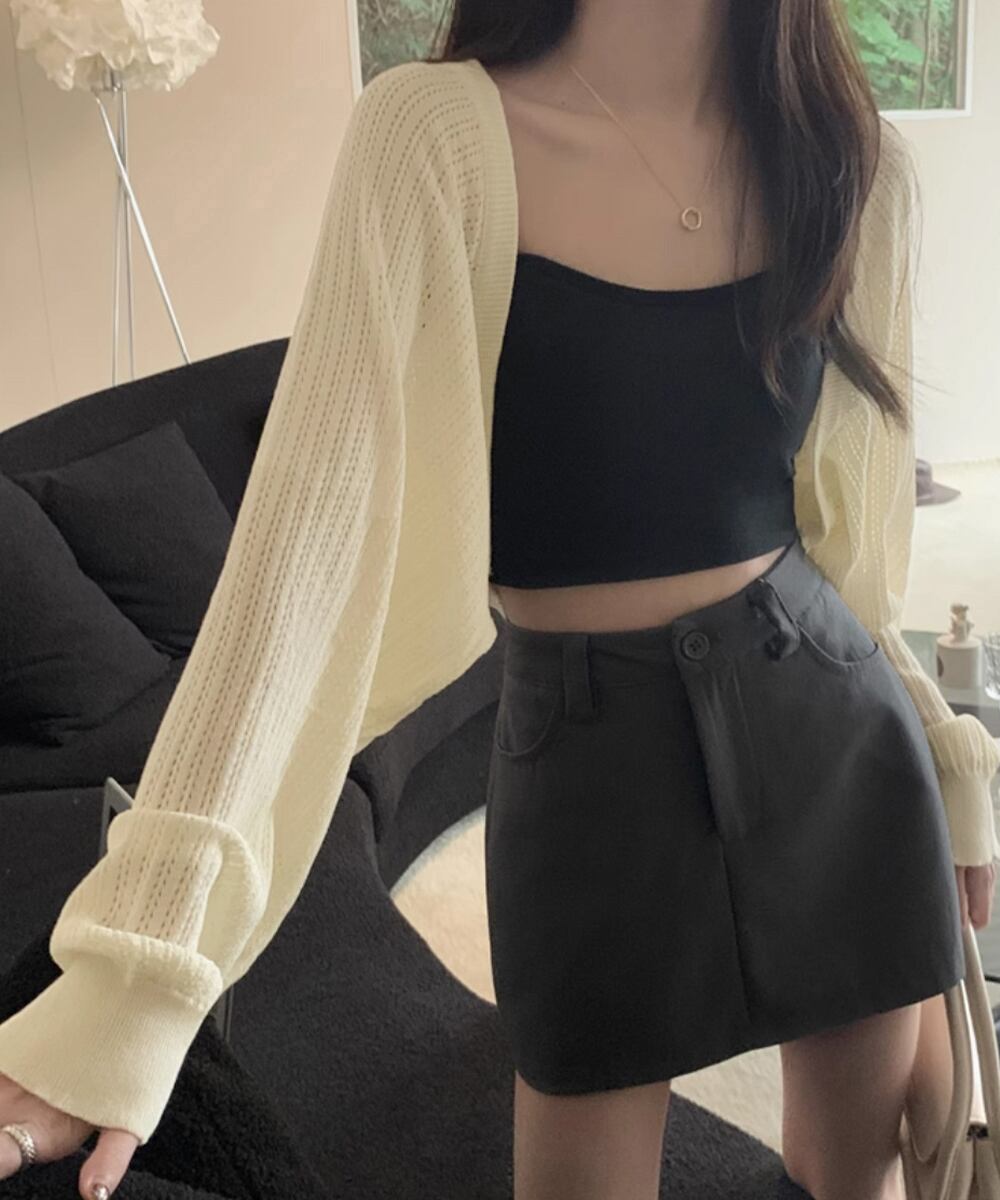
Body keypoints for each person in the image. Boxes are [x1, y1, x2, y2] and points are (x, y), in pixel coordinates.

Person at [1, 2, 998, 1199]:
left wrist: (946, 754)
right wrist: (133, 979)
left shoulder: (850, 157)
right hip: (585, 772)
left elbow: (853, 562)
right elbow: (293, 561)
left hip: (834, 753)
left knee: (854, 1182)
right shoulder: (430, 137)